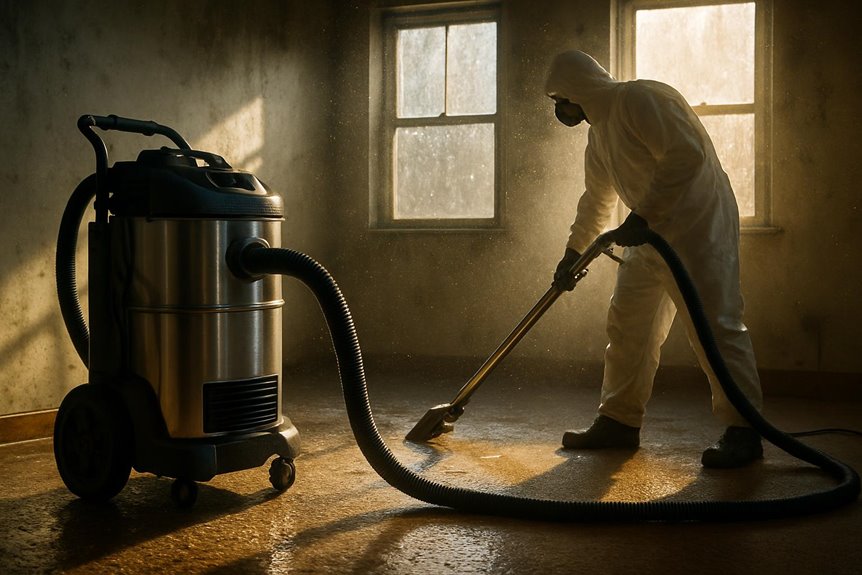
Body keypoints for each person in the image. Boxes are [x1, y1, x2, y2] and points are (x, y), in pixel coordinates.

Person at [545, 50, 764, 468]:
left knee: (716, 328)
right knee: (628, 322)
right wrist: (573, 253)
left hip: (699, 228)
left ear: (575, 91)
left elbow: (686, 156)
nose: (561, 111)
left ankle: (744, 430)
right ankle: (618, 421)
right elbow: (596, 200)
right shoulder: (599, 136)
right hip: (649, 238)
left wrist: (642, 215)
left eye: (560, 100)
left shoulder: (641, 99)